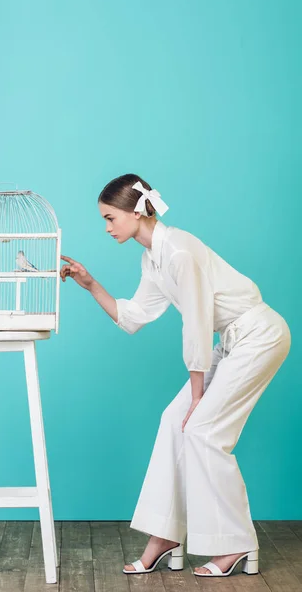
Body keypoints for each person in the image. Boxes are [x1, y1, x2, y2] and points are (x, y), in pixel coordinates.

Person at [60, 173, 291, 578]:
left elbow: (198, 324)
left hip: (259, 335)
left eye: (110, 218)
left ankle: (237, 544)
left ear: (136, 211)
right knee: (173, 421)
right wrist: (90, 283)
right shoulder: (152, 258)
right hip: (232, 341)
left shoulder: (181, 251)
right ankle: (165, 537)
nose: (106, 227)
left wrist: (198, 396)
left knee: (202, 430)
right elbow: (133, 317)